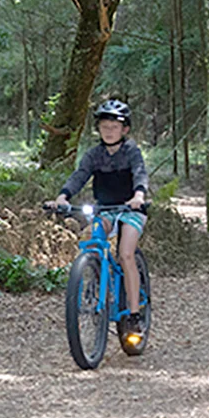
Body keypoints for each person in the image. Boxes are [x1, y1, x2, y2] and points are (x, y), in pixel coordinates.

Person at [46, 99, 148, 337]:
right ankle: (95, 280)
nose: (109, 131)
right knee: (93, 241)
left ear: (125, 129)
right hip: (105, 210)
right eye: (104, 126)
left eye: (114, 126)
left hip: (131, 209)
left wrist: (139, 195)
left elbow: (140, 173)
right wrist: (62, 197)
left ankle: (134, 315)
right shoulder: (94, 155)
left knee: (125, 253)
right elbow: (79, 176)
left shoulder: (131, 151)